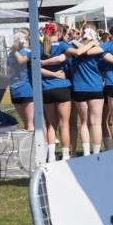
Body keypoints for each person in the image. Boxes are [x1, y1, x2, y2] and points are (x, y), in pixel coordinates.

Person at [65, 24, 106, 156]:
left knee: (83, 122)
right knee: (96, 123)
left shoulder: (73, 49)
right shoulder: (97, 50)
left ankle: (87, 153)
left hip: (79, 88)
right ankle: (96, 152)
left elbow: (69, 66)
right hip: (95, 88)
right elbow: (104, 67)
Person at [40, 23, 73, 161]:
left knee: (51, 124)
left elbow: (37, 67)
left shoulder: (41, 47)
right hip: (62, 87)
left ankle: (51, 155)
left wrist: (49, 72)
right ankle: (65, 155)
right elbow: (73, 53)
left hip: (47, 88)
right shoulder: (62, 45)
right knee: (64, 124)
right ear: (59, 33)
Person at [7, 28, 33, 130]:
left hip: (14, 89)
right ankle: (37, 145)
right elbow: (21, 61)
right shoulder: (27, 51)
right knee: (32, 123)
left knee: (27, 123)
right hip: (25, 88)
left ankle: (33, 145)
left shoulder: (11, 53)